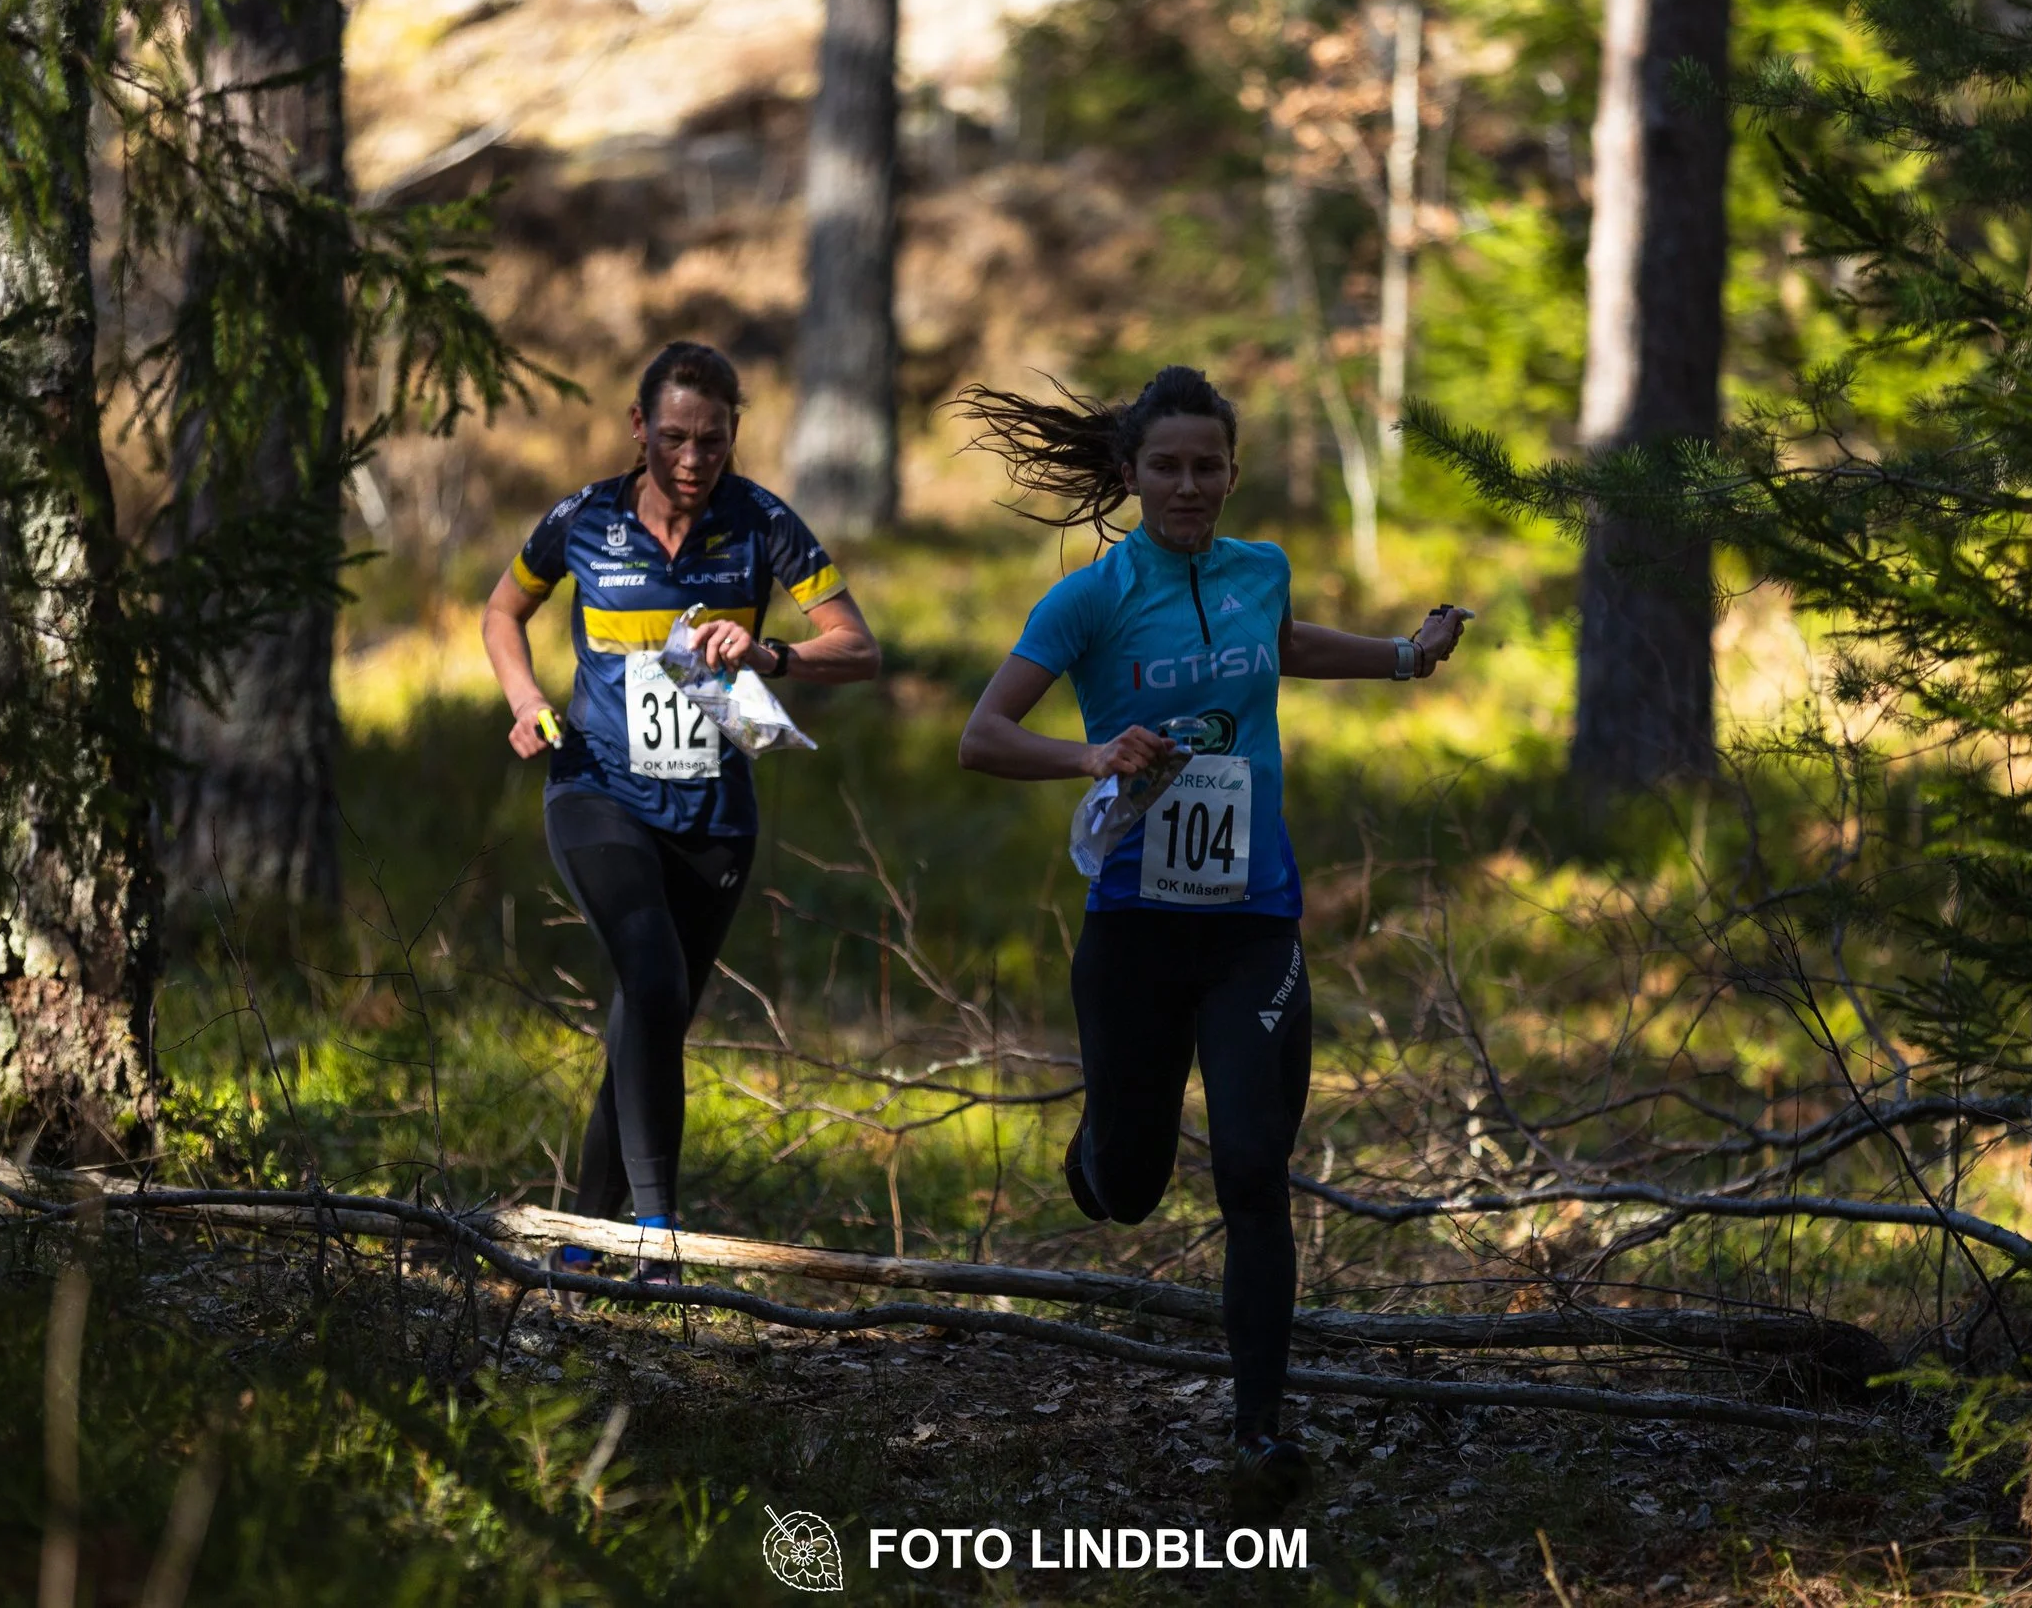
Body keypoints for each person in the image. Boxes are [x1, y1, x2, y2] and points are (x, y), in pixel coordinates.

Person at [954, 366, 1468, 1506]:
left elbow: (1276, 647)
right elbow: (982, 737)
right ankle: (1096, 1150)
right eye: (1168, 466)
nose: (1189, 486)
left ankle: (1259, 1432)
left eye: (1208, 466)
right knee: (1129, 1187)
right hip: (1133, 929)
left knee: (1251, 1167)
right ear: (1130, 474)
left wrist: (1401, 655)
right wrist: (1090, 755)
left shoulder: (1259, 569)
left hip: (1254, 926)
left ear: (1232, 472)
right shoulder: (1087, 599)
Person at [483, 341, 881, 1278]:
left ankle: (585, 1239)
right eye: (673, 439)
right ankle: (659, 1242)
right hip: (596, 789)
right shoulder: (583, 518)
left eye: (712, 440)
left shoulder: (761, 523)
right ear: (638, 430)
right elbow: (503, 611)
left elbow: (858, 648)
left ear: (736, 433)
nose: (693, 460)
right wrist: (524, 701)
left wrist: (771, 654)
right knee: (653, 984)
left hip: (714, 819)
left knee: (649, 1020)